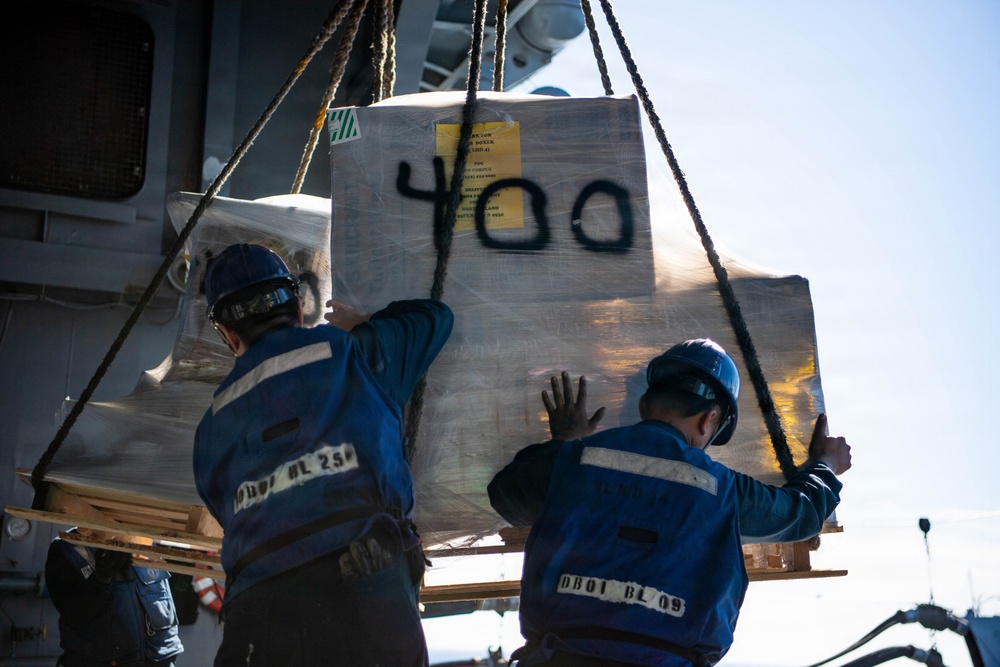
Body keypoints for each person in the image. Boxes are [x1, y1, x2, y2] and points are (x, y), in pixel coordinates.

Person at [488, 339, 852, 667]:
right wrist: (827, 465)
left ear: (645, 404)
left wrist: (564, 443)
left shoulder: (574, 461)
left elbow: (505, 495)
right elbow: (800, 512)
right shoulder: (723, 490)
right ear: (711, 420)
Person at [193, 243, 454, 666]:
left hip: (258, 618)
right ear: (298, 306)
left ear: (227, 333)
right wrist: (364, 323)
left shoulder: (211, 426)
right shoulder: (353, 354)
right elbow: (435, 320)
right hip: (363, 585)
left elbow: (227, 509)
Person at [45, 530, 184, 667]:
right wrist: (100, 579)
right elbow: (74, 612)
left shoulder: (145, 539)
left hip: (160, 659)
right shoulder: (68, 547)